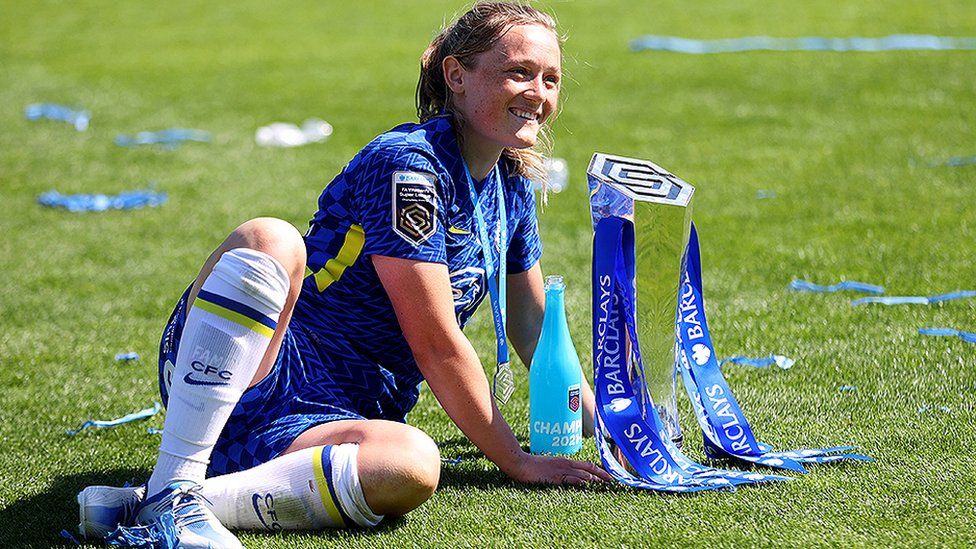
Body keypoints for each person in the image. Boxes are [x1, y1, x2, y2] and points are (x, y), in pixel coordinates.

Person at [77, 2, 609, 546]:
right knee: (270, 239)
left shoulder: (510, 182)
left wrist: (612, 428)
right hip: (257, 369)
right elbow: (435, 342)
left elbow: (533, 328)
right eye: (518, 72)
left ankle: (157, 502)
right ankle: (177, 478)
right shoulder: (410, 167)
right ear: (456, 76)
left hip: (341, 414)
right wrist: (516, 460)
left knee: (413, 464)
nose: (538, 93)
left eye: (550, 79)